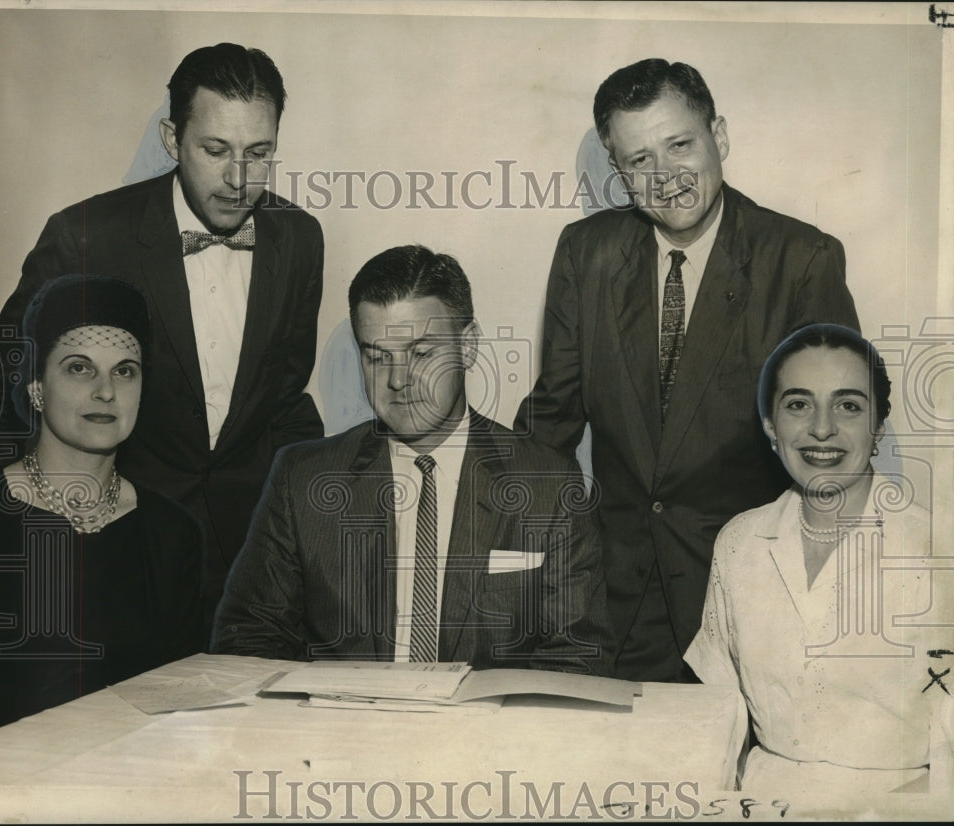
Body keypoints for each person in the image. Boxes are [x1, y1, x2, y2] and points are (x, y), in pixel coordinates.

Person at [515, 58, 861, 681]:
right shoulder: (584, 253)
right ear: (617, 170)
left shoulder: (802, 259)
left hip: (752, 602)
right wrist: (518, 558)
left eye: (680, 145)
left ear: (719, 136)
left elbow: (833, 448)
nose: (666, 177)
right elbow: (551, 420)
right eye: (639, 160)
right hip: (612, 597)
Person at [0, 43, 324, 631]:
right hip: (115, 552)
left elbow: (284, 399)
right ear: (171, 140)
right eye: (215, 151)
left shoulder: (300, 239)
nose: (240, 180)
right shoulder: (86, 235)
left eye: (258, 154)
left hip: (252, 564)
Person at [211, 245, 614, 673]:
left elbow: (577, 658)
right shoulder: (302, 478)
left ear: (469, 346)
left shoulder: (548, 483)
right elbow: (248, 640)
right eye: (377, 356)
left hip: (485, 736)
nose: (398, 380)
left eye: (421, 353)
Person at [685, 323, 952, 803]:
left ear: (878, 428)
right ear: (771, 425)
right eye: (798, 404)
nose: (822, 428)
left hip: (909, 806)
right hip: (763, 805)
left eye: (848, 405)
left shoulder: (938, 548)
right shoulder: (739, 542)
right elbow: (719, 717)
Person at [0, 275, 202, 732]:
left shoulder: (172, 533)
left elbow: (181, 704)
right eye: (79, 367)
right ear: (37, 385)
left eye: (125, 370)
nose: (106, 391)